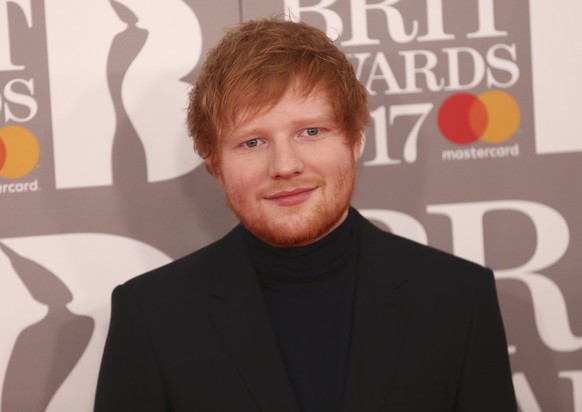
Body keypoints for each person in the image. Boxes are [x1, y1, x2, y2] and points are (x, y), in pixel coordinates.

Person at [94, 18, 516, 412]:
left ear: (355, 140)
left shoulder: (459, 299)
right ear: (213, 164)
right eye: (252, 142)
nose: (284, 165)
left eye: (310, 132)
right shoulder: (151, 316)